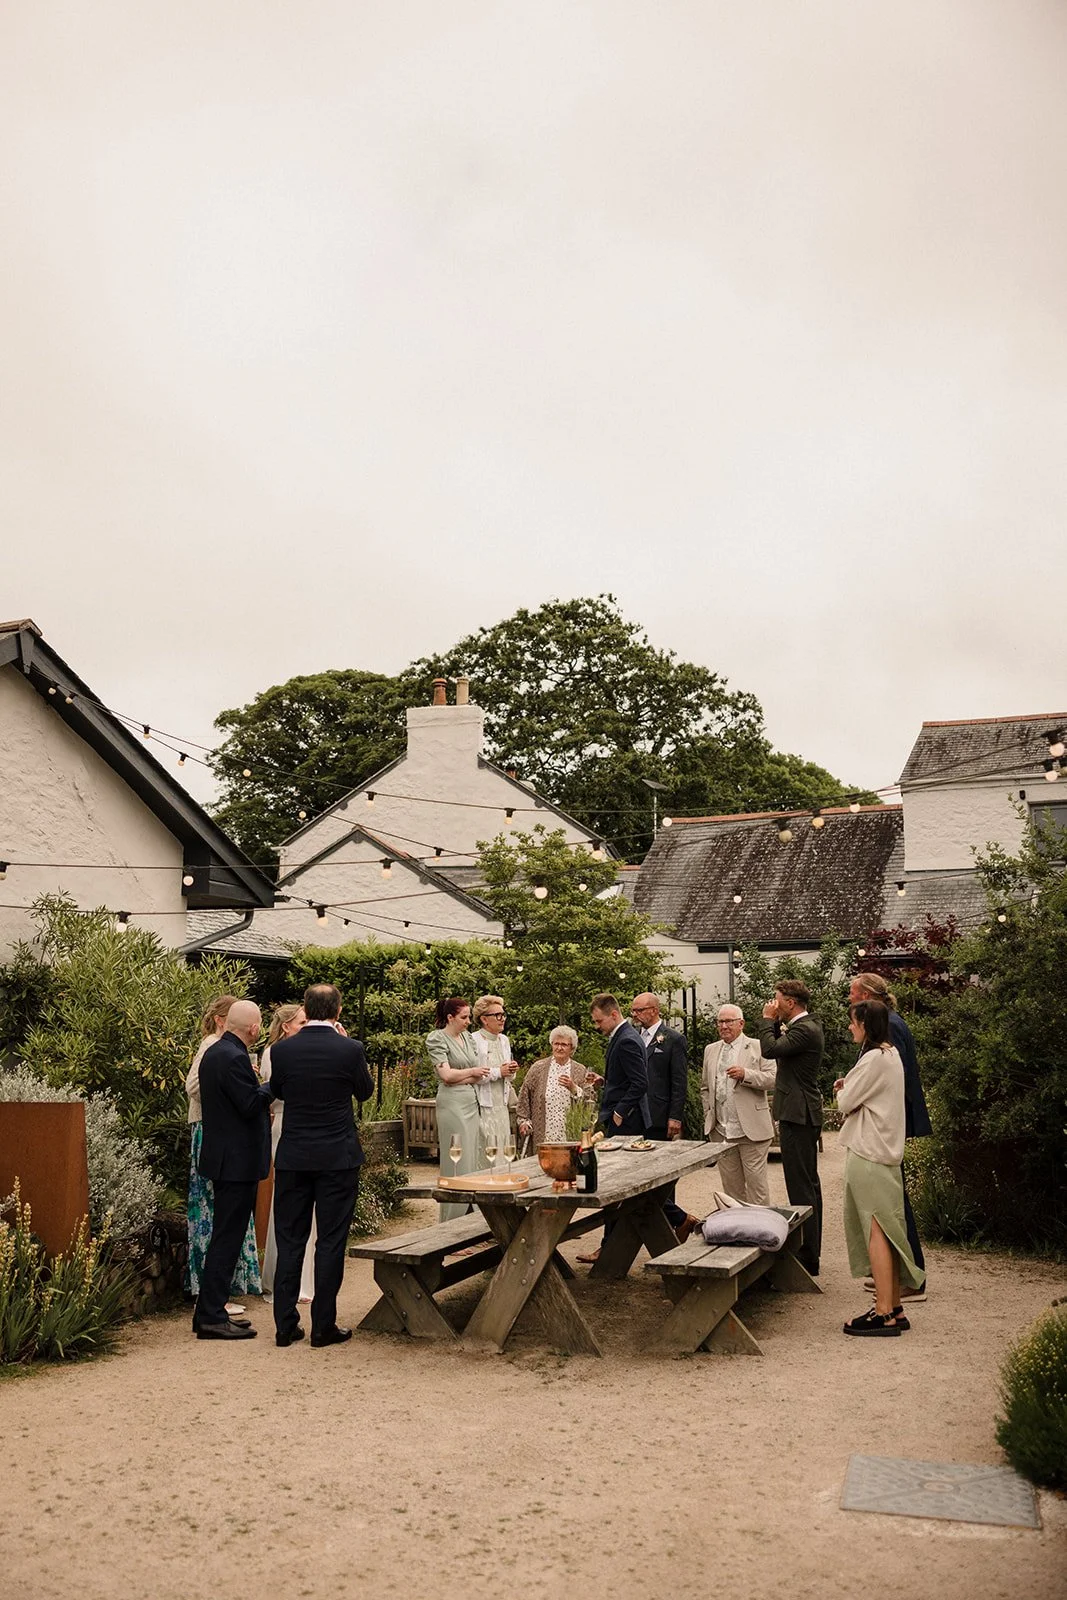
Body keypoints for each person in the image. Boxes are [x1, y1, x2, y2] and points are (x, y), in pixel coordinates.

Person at [268, 983, 374, 1349]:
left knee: (290, 1240)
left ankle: (285, 1327)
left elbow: (278, 1091)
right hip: (337, 1158)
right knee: (330, 1241)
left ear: (306, 1009)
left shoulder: (283, 1051)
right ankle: (322, 1327)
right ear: (338, 1011)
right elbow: (364, 1092)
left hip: (294, 1156)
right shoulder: (350, 1049)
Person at [835, 999, 924, 1335]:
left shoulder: (872, 1059)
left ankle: (883, 1312)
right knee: (888, 1229)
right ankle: (894, 1308)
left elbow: (845, 1102)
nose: (849, 1027)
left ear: (865, 1024)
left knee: (875, 1231)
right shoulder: (891, 1055)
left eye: (853, 1022)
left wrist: (843, 1087)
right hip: (885, 1152)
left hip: (868, 1152)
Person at [849, 972, 931, 1300]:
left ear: (869, 996)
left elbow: (889, 1083)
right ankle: (894, 1273)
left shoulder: (889, 1028)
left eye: (854, 995)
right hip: (891, 1125)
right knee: (891, 1204)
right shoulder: (891, 1023)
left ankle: (910, 1278)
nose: (851, 1001)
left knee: (892, 1207)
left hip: (886, 1128)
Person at [194, 1000, 272, 1340]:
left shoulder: (216, 1052)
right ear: (253, 1028)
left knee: (225, 1236)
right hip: (235, 1161)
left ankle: (210, 1311)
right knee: (227, 1238)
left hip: (226, 1157)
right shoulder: (233, 1057)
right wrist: (272, 1084)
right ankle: (211, 1315)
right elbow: (249, 1103)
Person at [577, 994, 651, 1265]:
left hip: (626, 1123)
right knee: (616, 1184)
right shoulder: (625, 1036)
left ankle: (609, 1248)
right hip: (622, 1119)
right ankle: (608, 1246)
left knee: (616, 1184)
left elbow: (640, 1083)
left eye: (599, 1021)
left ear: (613, 1014)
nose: (597, 1026)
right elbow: (625, 1080)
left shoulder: (628, 1039)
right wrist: (605, 1082)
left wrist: (620, 1112)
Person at [757, 979, 824, 1277]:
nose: (774, 1004)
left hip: (799, 1114)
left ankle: (808, 1256)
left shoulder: (804, 1029)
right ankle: (810, 1252)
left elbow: (770, 1051)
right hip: (800, 1112)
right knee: (808, 1184)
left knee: (801, 1187)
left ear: (790, 1002)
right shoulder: (805, 1026)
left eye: (777, 999)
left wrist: (766, 1020)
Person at [630, 992, 698, 1242]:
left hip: (659, 1115)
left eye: (639, 1010)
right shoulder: (633, 1037)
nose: (634, 1015)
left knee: (662, 1176)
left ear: (654, 1010)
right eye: (633, 1011)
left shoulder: (673, 1039)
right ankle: (677, 1220)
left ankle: (671, 1226)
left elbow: (678, 1082)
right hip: (634, 1115)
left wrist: (675, 1117)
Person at [260, 1003, 315, 1306]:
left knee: (311, 1207)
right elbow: (275, 1093)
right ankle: (283, 1278)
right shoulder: (273, 1053)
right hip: (284, 1126)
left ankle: (308, 1277)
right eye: (302, 1023)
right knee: (288, 1202)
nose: (307, 1027)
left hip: (301, 1126)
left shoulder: (299, 1051)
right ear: (286, 1027)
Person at [699, 1004, 777, 1205]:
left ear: (741, 1023)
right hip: (722, 1131)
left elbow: (774, 1079)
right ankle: (738, 1232)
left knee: (757, 1190)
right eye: (720, 1021)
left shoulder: (758, 1046)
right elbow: (705, 1087)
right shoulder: (711, 1049)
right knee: (731, 1191)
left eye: (728, 1021)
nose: (723, 1026)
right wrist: (709, 1112)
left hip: (751, 1130)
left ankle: (761, 1232)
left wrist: (746, 1075)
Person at [426, 997, 490, 1221]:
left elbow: (460, 1076)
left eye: (468, 1017)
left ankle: (471, 1222)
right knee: (456, 1161)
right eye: (463, 1017)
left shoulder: (467, 1039)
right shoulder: (437, 1038)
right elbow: (445, 1076)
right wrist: (471, 1072)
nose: (468, 1022)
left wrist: (460, 1076)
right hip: (452, 1105)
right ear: (450, 1017)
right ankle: (451, 1223)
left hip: (471, 1101)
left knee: (473, 1161)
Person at [516, 1026, 597, 1149]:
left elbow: (590, 1101)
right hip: (544, 1135)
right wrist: (524, 1121)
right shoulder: (538, 1068)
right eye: (556, 1044)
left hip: (570, 1134)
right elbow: (524, 1097)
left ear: (572, 1048)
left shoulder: (580, 1070)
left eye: (564, 1044)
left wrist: (574, 1088)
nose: (559, 1048)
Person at [471, 995, 519, 1161]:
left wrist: (511, 1070)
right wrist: (499, 1071)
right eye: (498, 1015)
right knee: (487, 1150)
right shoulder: (474, 1040)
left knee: (503, 1151)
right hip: (482, 1105)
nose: (502, 1019)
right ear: (484, 1019)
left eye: (503, 1015)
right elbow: (474, 1074)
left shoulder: (504, 1040)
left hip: (502, 1105)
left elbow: (508, 1076)